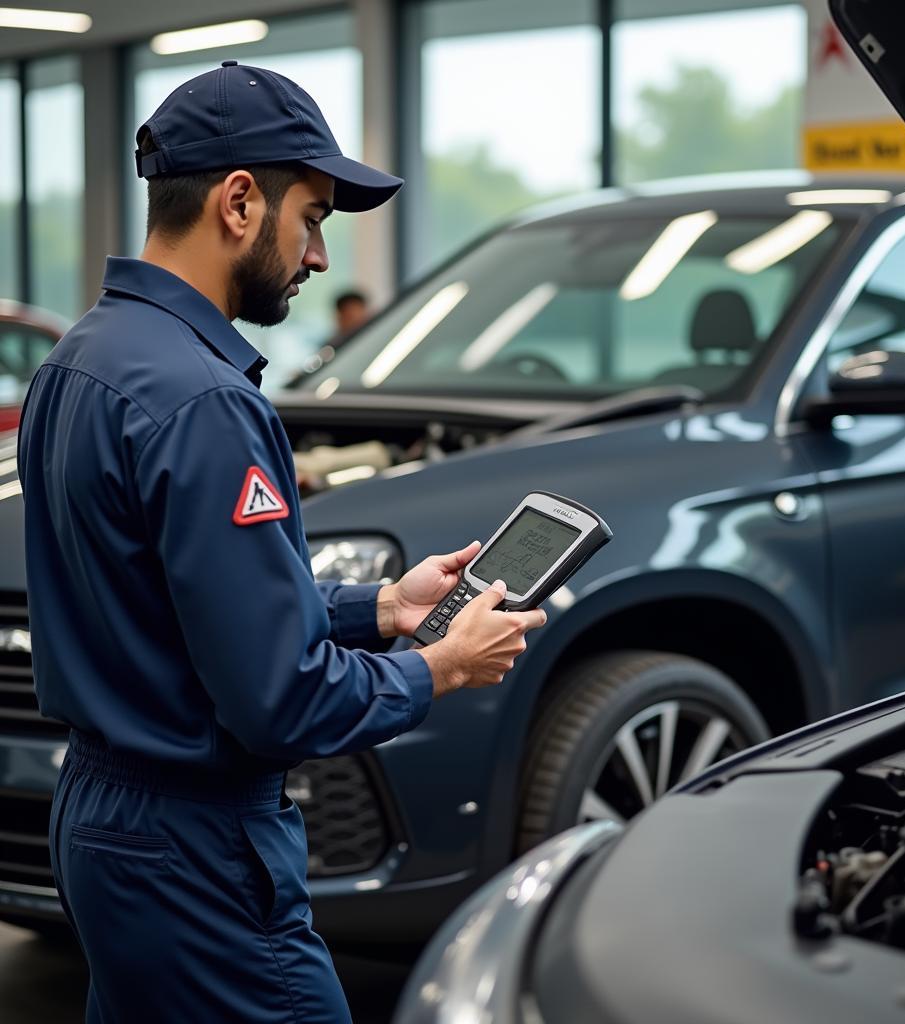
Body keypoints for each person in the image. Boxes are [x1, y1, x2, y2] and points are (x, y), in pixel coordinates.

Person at [17, 60, 546, 1024]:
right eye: (313, 219)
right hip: (199, 851)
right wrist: (441, 666)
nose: (319, 258)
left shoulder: (76, 362)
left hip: (100, 824)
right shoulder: (209, 401)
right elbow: (282, 702)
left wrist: (380, 608)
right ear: (238, 203)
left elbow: (162, 602)